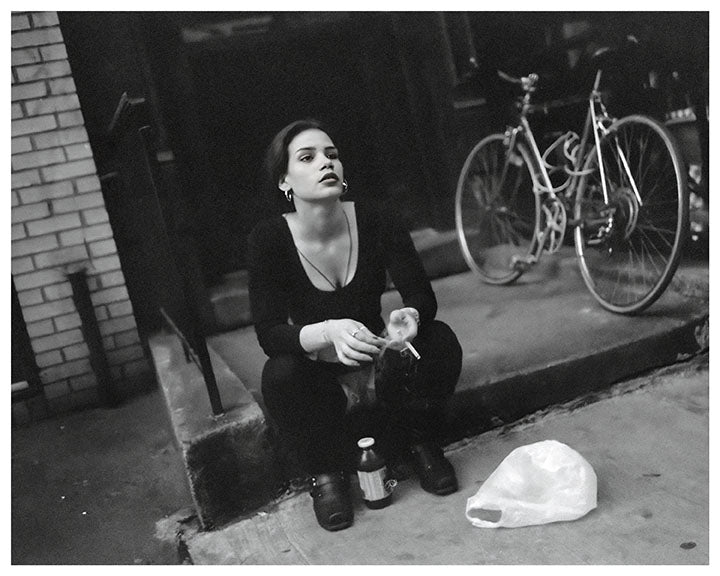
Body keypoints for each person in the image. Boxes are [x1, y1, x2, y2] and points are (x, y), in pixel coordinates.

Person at [247, 119, 463, 532]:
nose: (326, 163)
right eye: (307, 158)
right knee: (279, 373)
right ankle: (326, 476)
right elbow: (269, 333)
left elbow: (421, 296)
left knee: (439, 339)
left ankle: (421, 445)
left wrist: (410, 317)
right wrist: (328, 331)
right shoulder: (269, 239)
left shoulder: (376, 217)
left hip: (382, 366)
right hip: (322, 378)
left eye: (332, 155)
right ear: (284, 181)